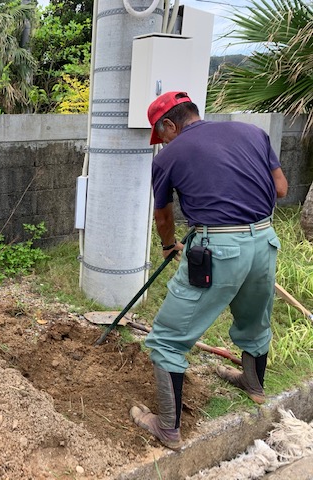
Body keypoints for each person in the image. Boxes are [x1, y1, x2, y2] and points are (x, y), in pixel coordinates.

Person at [130, 91, 289, 450]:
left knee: (168, 339)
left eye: (162, 135)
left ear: (170, 124)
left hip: (219, 250)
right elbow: (281, 188)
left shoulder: (170, 156)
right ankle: (254, 385)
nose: (163, 143)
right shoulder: (252, 133)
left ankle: (167, 428)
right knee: (255, 320)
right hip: (264, 240)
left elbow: (164, 215)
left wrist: (169, 246)